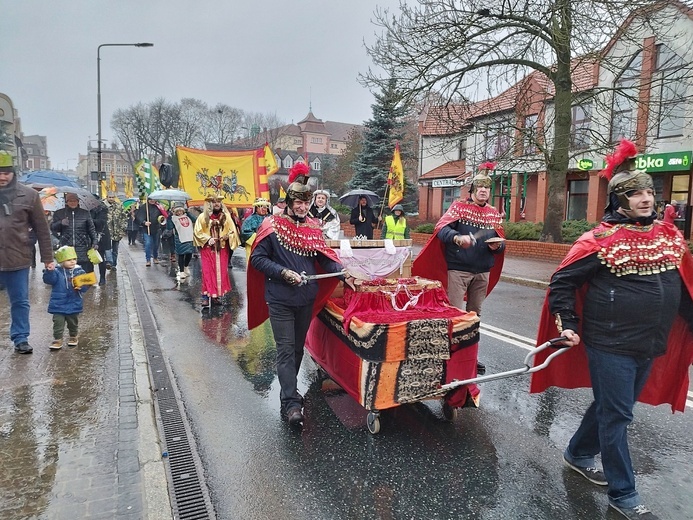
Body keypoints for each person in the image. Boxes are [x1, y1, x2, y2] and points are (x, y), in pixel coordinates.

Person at [531, 139, 693, 520]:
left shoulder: (669, 236)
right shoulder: (598, 241)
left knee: (612, 408)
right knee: (618, 416)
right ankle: (624, 494)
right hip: (609, 343)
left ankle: (577, 452)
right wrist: (567, 323)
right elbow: (562, 283)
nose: (646, 198)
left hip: (651, 342)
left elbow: (682, 287)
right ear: (620, 199)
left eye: (650, 191)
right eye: (635, 192)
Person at [248, 163, 355, 427]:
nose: (302, 207)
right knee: (285, 350)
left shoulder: (313, 227)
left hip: (305, 299)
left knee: (297, 349)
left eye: (306, 203)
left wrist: (343, 272)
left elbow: (324, 259)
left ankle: (289, 392)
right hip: (280, 299)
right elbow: (258, 260)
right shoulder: (271, 225)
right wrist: (283, 272)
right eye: (298, 202)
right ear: (288, 202)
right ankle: (291, 404)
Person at [411, 161, 505, 374]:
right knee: (454, 313)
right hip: (459, 270)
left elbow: (501, 241)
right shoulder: (458, 208)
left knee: (475, 314)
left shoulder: (492, 213)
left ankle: (470, 356)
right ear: (472, 190)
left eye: (487, 188)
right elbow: (441, 230)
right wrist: (456, 238)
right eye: (479, 187)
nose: (483, 191)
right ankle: (450, 354)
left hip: (482, 271)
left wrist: (499, 246)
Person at [0, 151, 55, 354]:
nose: (2, 177)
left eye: (6, 172)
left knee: (20, 301)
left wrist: (48, 258)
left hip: (18, 258)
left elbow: (42, 229)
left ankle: (20, 337)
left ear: (13, 173)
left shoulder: (29, 195)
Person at [43, 246, 94, 350]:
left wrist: (82, 286)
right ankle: (57, 339)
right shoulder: (57, 271)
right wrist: (49, 271)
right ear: (62, 261)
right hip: (58, 303)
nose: (72, 262)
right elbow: (49, 280)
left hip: (74, 301)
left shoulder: (79, 271)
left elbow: (86, 286)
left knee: (73, 322)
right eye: (69, 260)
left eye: (74, 259)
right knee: (58, 322)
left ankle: (73, 336)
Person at [192, 194, 239, 305]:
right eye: (213, 202)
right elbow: (197, 232)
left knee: (220, 273)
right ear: (209, 204)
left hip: (222, 250)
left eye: (218, 201)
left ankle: (215, 296)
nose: (216, 204)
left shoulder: (226, 217)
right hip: (208, 250)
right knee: (208, 272)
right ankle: (205, 296)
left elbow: (233, 231)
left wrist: (228, 236)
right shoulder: (202, 217)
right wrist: (208, 239)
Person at [51, 193, 98, 274]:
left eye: (74, 201)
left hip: (82, 246)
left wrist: (95, 241)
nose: (73, 203)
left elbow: (91, 229)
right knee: (68, 271)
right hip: (66, 247)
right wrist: (60, 223)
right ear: (66, 202)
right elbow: (52, 228)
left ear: (78, 201)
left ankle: (83, 286)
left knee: (83, 271)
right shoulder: (59, 213)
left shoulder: (85, 213)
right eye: (70, 201)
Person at [167, 202, 197, 281]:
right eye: (177, 211)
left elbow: (195, 220)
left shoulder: (187, 216)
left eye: (181, 211)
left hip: (189, 237)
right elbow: (169, 227)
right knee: (181, 255)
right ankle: (181, 271)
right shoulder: (173, 218)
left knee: (189, 254)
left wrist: (188, 213)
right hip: (180, 238)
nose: (179, 213)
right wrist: (169, 218)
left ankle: (186, 266)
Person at [135, 197, 166, 266]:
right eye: (150, 199)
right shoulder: (144, 207)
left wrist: (162, 220)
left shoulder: (158, 207)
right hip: (147, 229)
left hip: (156, 228)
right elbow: (139, 217)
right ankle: (148, 259)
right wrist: (144, 222)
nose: (152, 200)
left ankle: (155, 257)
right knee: (148, 244)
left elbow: (164, 215)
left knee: (156, 244)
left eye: (153, 199)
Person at [90, 197, 111, 285]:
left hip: (101, 235)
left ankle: (102, 277)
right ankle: (89, 278)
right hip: (88, 235)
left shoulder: (103, 209)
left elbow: (101, 222)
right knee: (89, 258)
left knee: (100, 258)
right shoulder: (85, 210)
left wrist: (89, 221)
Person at [105, 191, 128, 269]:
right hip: (106, 232)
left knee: (115, 249)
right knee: (107, 248)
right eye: (110, 197)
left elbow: (124, 217)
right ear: (107, 197)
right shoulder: (103, 206)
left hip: (117, 232)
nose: (111, 199)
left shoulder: (119, 206)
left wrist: (123, 229)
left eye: (112, 197)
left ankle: (114, 264)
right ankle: (109, 262)